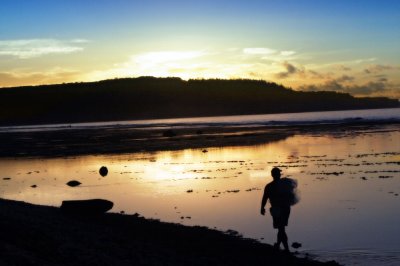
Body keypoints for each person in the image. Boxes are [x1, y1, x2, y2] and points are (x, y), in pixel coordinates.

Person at [260, 167, 291, 252]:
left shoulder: (269, 186)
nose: (280, 175)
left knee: (281, 228)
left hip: (278, 209)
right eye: (278, 173)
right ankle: (283, 247)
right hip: (282, 209)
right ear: (276, 175)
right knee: (281, 228)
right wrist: (262, 207)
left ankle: (283, 247)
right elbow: (290, 195)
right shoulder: (284, 184)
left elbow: (265, 198)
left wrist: (262, 207)